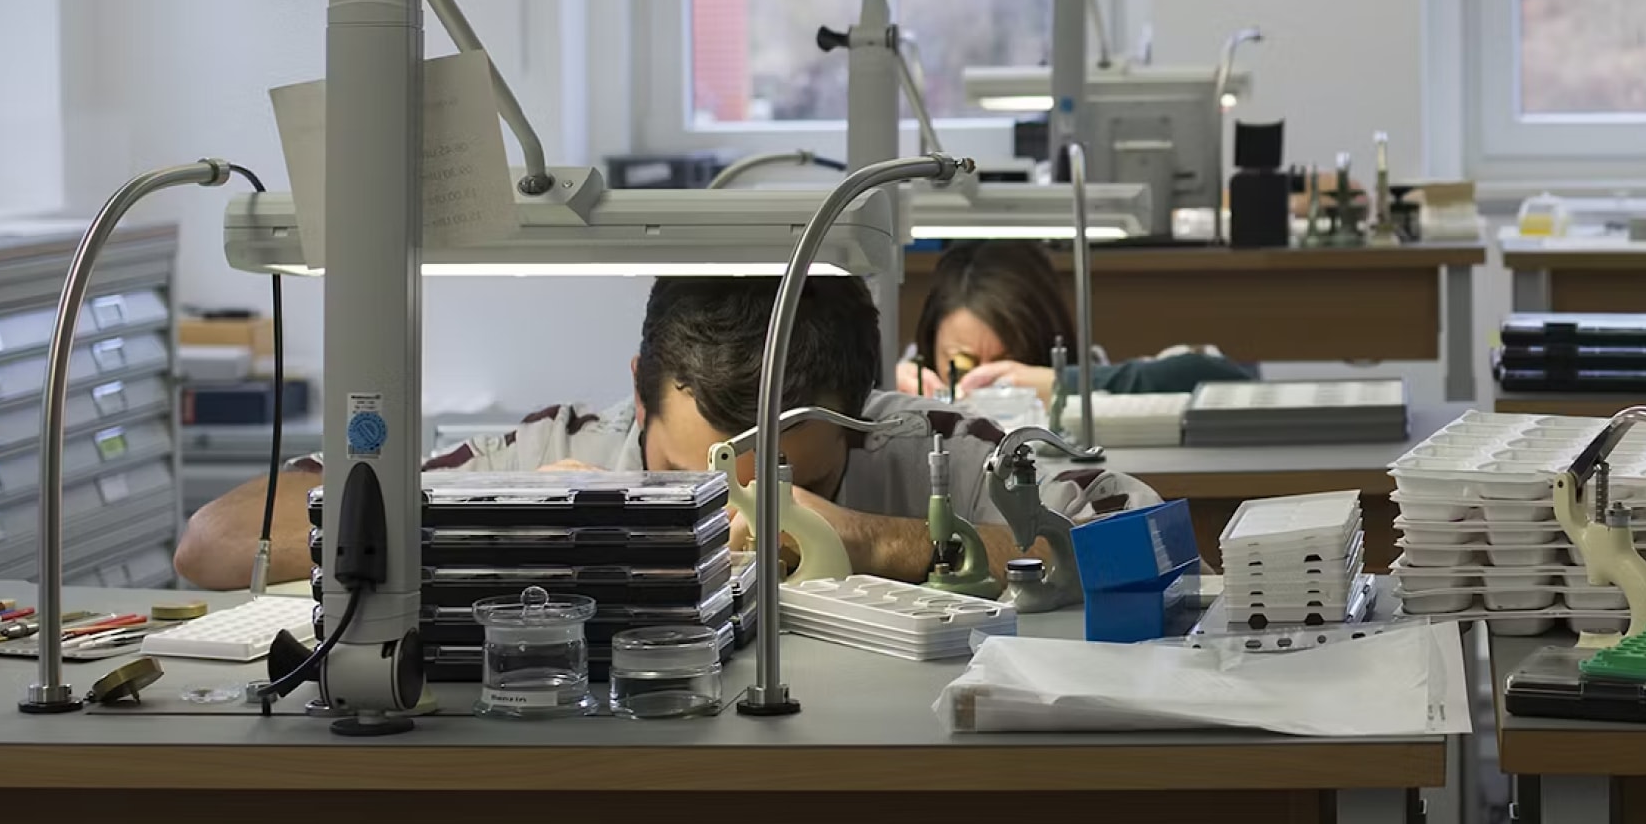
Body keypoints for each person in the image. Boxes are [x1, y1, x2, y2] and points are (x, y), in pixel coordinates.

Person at [174, 274, 1145, 590]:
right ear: (637, 395)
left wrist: (877, 540)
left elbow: (1144, 550)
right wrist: (493, 522)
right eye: (690, 480)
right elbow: (212, 542)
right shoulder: (559, 450)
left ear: (860, 417)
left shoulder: (930, 445)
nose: (740, 525)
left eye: (802, 488)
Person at [896, 240, 1259, 398]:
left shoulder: (1084, 381)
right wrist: (882, 392)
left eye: (1007, 365)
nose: (980, 383)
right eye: (961, 364)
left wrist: (1062, 385)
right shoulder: (907, 382)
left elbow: (1224, 380)